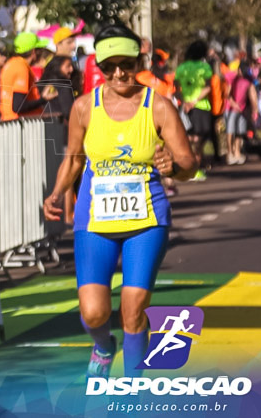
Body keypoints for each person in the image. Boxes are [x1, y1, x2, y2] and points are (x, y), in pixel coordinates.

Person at [44, 24, 196, 379]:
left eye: (126, 64)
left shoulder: (158, 107)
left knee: (133, 309)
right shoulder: (84, 107)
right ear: (98, 65)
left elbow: (190, 164)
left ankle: (133, 387)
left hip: (146, 220)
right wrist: (55, 193)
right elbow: (74, 158)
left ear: (139, 61)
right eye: (109, 66)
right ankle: (102, 344)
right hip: (95, 220)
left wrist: (174, 167)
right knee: (94, 313)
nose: (118, 74)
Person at [174, 41, 213, 181]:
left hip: (185, 108)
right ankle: (195, 170)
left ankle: (189, 169)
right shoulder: (205, 67)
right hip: (200, 106)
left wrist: (185, 102)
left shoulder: (181, 68)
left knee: (188, 138)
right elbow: (208, 87)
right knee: (198, 140)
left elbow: (176, 88)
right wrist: (194, 101)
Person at [0, 32, 56, 121]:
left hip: (11, 123)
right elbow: (18, 106)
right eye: (40, 50)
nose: (41, 53)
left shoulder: (11, 63)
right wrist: (43, 99)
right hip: (21, 126)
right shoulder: (21, 67)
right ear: (34, 52)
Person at [225, 61, 257, 165]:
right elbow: (227, 94)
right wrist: (234, 104)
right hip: (230, 109)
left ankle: (237, 152)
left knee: (240, 131)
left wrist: (255, 110)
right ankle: (229, 153)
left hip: (242, 109)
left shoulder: (248, 80)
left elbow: (252, 94)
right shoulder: (232, 78)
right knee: (230, 131)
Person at [36, 55, 77, 122]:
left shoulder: (43, 83)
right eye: (68, 66)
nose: (71, 69)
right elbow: (68, 112)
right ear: (57, 67)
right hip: (61, 126)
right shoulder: (63, 86)